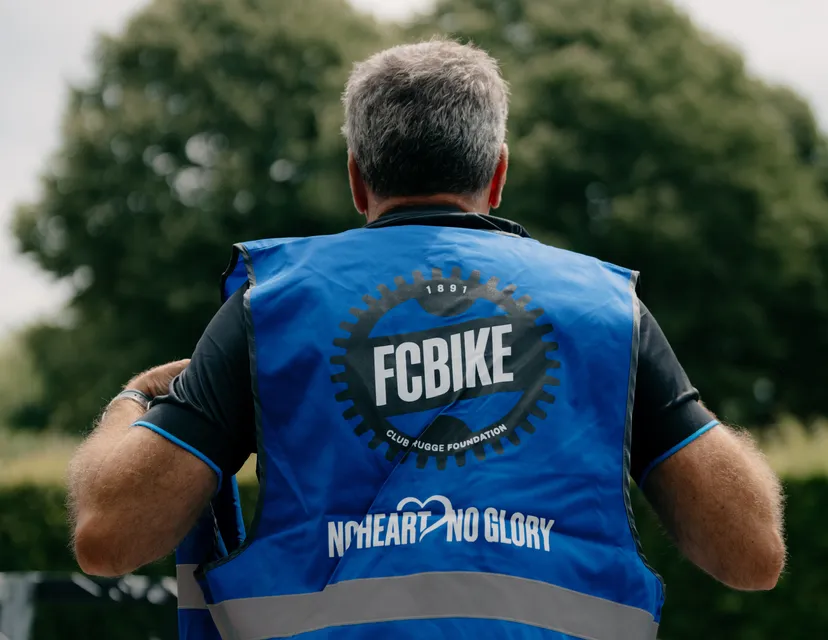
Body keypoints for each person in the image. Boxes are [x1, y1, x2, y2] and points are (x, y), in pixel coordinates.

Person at [68, 39, 785, 639]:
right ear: (498, 172)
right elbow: (753, 555)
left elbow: (108, 538)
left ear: (357, 178)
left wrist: (133, 399)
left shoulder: (274, 307)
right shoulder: (606, 313)